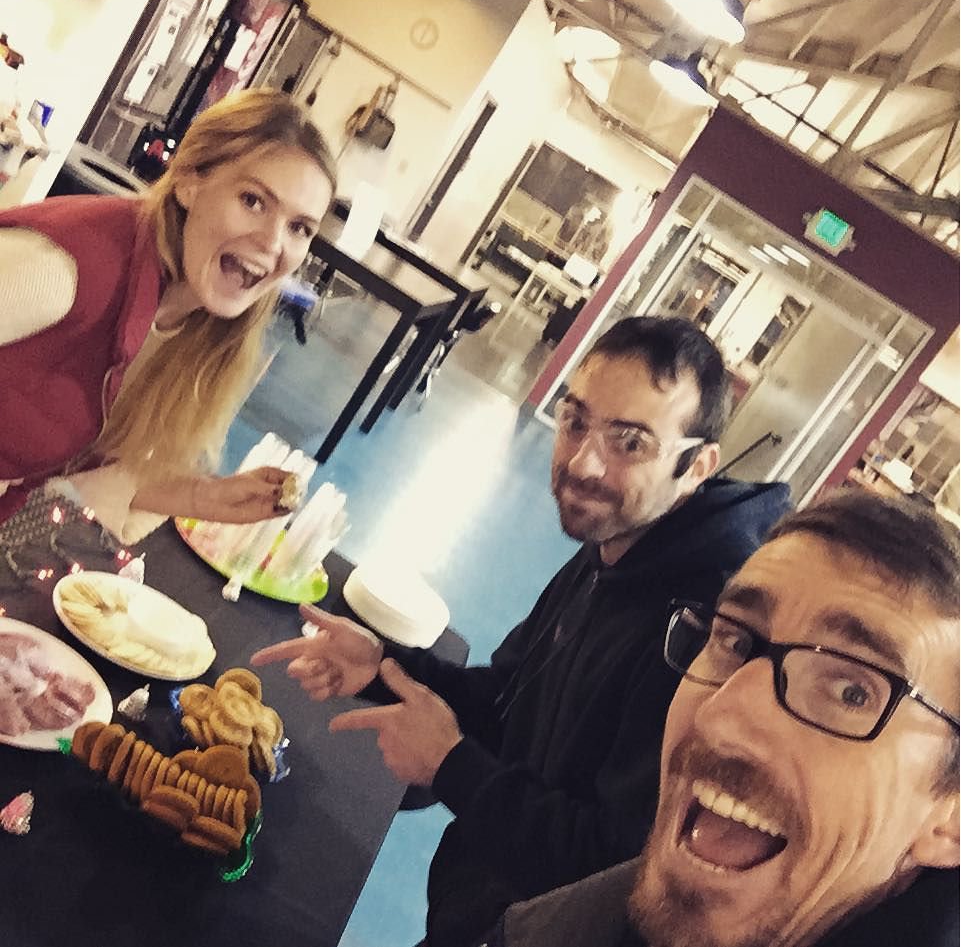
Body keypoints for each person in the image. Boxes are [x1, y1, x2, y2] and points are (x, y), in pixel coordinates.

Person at [252, 316, 792, 946]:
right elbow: (510, 697)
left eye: (630, 443)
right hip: (480, 902)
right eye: (576, 421)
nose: (584, 462)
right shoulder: (618, 543)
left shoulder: (706, 638)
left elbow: (614, 871)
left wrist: (453, 766)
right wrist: (384, 666)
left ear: (697, 466)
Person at [481, 490, 960, 947]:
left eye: (851, 693)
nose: (718, 719)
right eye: (734, 641)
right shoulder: (561, 926)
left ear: (951, 820)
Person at [0, 88, 337, 541]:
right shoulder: (60, 271)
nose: (273, 243)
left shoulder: (202, 327)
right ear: (189, 180)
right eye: (253, 201)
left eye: (299, 228)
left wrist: (202, 498)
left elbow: (88, 460)